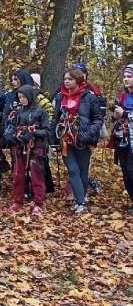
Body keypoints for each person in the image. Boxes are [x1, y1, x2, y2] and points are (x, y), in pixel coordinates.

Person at [54, 68, 103, 214]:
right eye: (65, 79)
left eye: (70, 79)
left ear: (78, 81)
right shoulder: (59, 97)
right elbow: (55, 118)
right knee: (73, 170)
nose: (66, 81)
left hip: (83, 139)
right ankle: (81, 202)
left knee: (82, 170)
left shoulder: (89, 97)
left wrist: (88, 134)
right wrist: (53, 140)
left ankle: (81, 198)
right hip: (65, 139)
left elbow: (98, 119)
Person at [4, 85, 50, 216]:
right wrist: (10, 136)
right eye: (20, 98)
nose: (22, 100)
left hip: (36, 148)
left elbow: (47, 131)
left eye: (24, 97)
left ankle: (39, 203)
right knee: (18, 175)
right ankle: (18, 201)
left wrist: (34, 132)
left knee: (36, 175)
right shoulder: (18, 112)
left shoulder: (41, 112)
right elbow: (12, 127)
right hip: (20, 147)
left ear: (30, 96)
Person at [110, 65, 133, 212]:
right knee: (125, 171)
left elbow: (126, 114)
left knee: (131, 170)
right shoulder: (123, 96)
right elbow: (117, 116)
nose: (126, 79)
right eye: (124, 76)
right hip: (122, 138)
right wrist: (115, 115)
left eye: (129, 76)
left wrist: (125, 114)